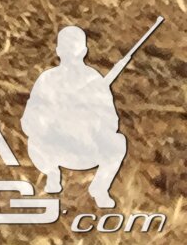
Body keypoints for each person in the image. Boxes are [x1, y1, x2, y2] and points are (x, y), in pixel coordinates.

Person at [22, 25, 128, 208]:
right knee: (34, 140)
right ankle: (52, 174)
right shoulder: (47, 79)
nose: (71, 53)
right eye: (66, 47)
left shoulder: (94, 81)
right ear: (58, 51)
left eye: (75, 48)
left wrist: (88, 120)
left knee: (118, 143)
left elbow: (111, 121)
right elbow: (29, 118)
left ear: (84, 51)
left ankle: (100, 188)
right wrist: (49, 120)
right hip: (53, 147)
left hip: (85, 148)